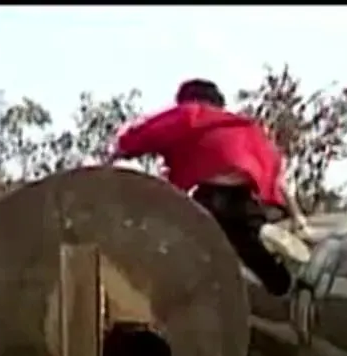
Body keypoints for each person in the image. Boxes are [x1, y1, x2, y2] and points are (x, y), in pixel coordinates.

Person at [110, 79, 307, 297]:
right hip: (246, 198)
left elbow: (146, 133)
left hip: (210, 195)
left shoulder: (189, 113)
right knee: (248, 248)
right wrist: (297, 215)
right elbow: (278, 176)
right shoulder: (246, 128)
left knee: (188, 241)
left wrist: (122, 148)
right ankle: (281, 281)